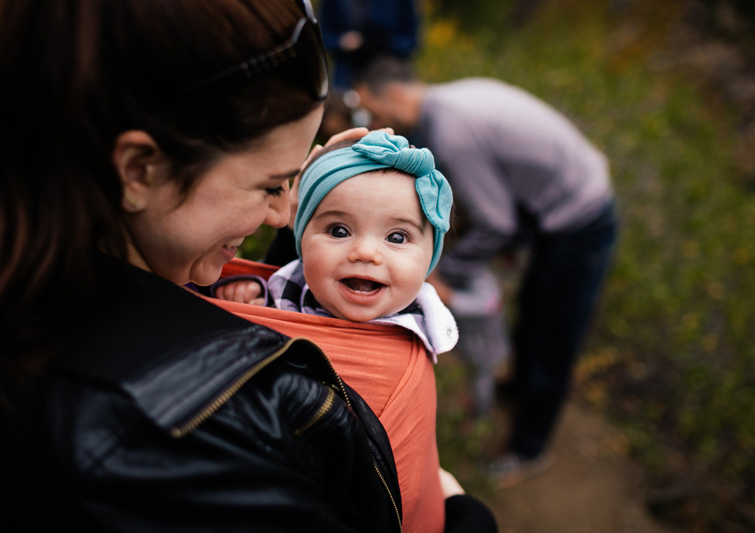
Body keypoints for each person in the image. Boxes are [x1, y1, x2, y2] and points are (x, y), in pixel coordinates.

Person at [0, 1, 494, 530]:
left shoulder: (42, 283)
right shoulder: (207, 437)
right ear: (140, 170)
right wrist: (464, 513)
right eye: (269, 184)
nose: (284, 214)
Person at [354, 56, 619, 487]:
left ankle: (528, 447)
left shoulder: (449, 128)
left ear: (398, 95)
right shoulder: (452, 100)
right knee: (534, 308)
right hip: (562, 206)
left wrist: (440, 271)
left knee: (556, 334)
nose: (381, 122)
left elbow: (497, 222)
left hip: (582, 219)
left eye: (379, 111)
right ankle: (515, 391)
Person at [212, 130, 484, 533]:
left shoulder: (398, 353)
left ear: (430, 260)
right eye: (339, 230)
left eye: (397, 237)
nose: (365, 252)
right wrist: (253, 297)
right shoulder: (291, 286)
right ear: (301, 239)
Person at [319, 0, 420, 90]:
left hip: (389, 74)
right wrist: (341, 41)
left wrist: (383, 42)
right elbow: (323, 36)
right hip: (348, 74)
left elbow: (411, 41)